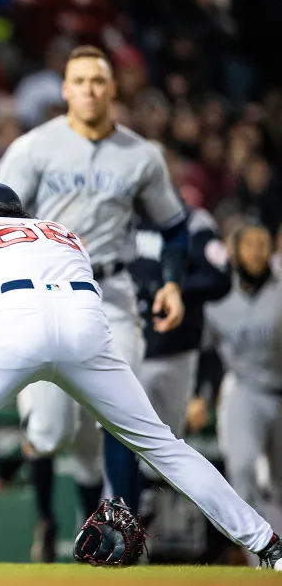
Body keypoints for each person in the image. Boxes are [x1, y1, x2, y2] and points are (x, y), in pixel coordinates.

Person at [0, 180, 282, 570]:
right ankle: (267, 544)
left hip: (15, 320)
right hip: (86, 324)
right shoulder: (63, 234)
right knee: (163, 446)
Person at [0, 44, 189, 560]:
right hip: (48, 291)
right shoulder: (36, 146)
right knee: (58, 432)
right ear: (65, 89)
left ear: (113, 88)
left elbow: (174, 227)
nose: (89, 90)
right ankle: (47, 517)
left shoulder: (142, 154)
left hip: (114, 293)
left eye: (98, 81)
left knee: (120, 409)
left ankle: (118, 536)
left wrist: (169, 282)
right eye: (79, 81)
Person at [119, 205, 232, 515]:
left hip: (175, 351)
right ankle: (121, 518)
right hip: (126, 346)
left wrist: (175, 287)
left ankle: (140, 513)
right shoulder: (116, 214)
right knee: (120, 438)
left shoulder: (193, 220)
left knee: (165, 449)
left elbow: (220, 277)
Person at [205, 222, 282, 564]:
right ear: (234, 250)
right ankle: (261, 559)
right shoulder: (218, 293)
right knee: (243, 467)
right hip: (245, 388)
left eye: (262, 243)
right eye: (249, 243)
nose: (255, 250)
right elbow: (205, 351)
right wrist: (202, 394)